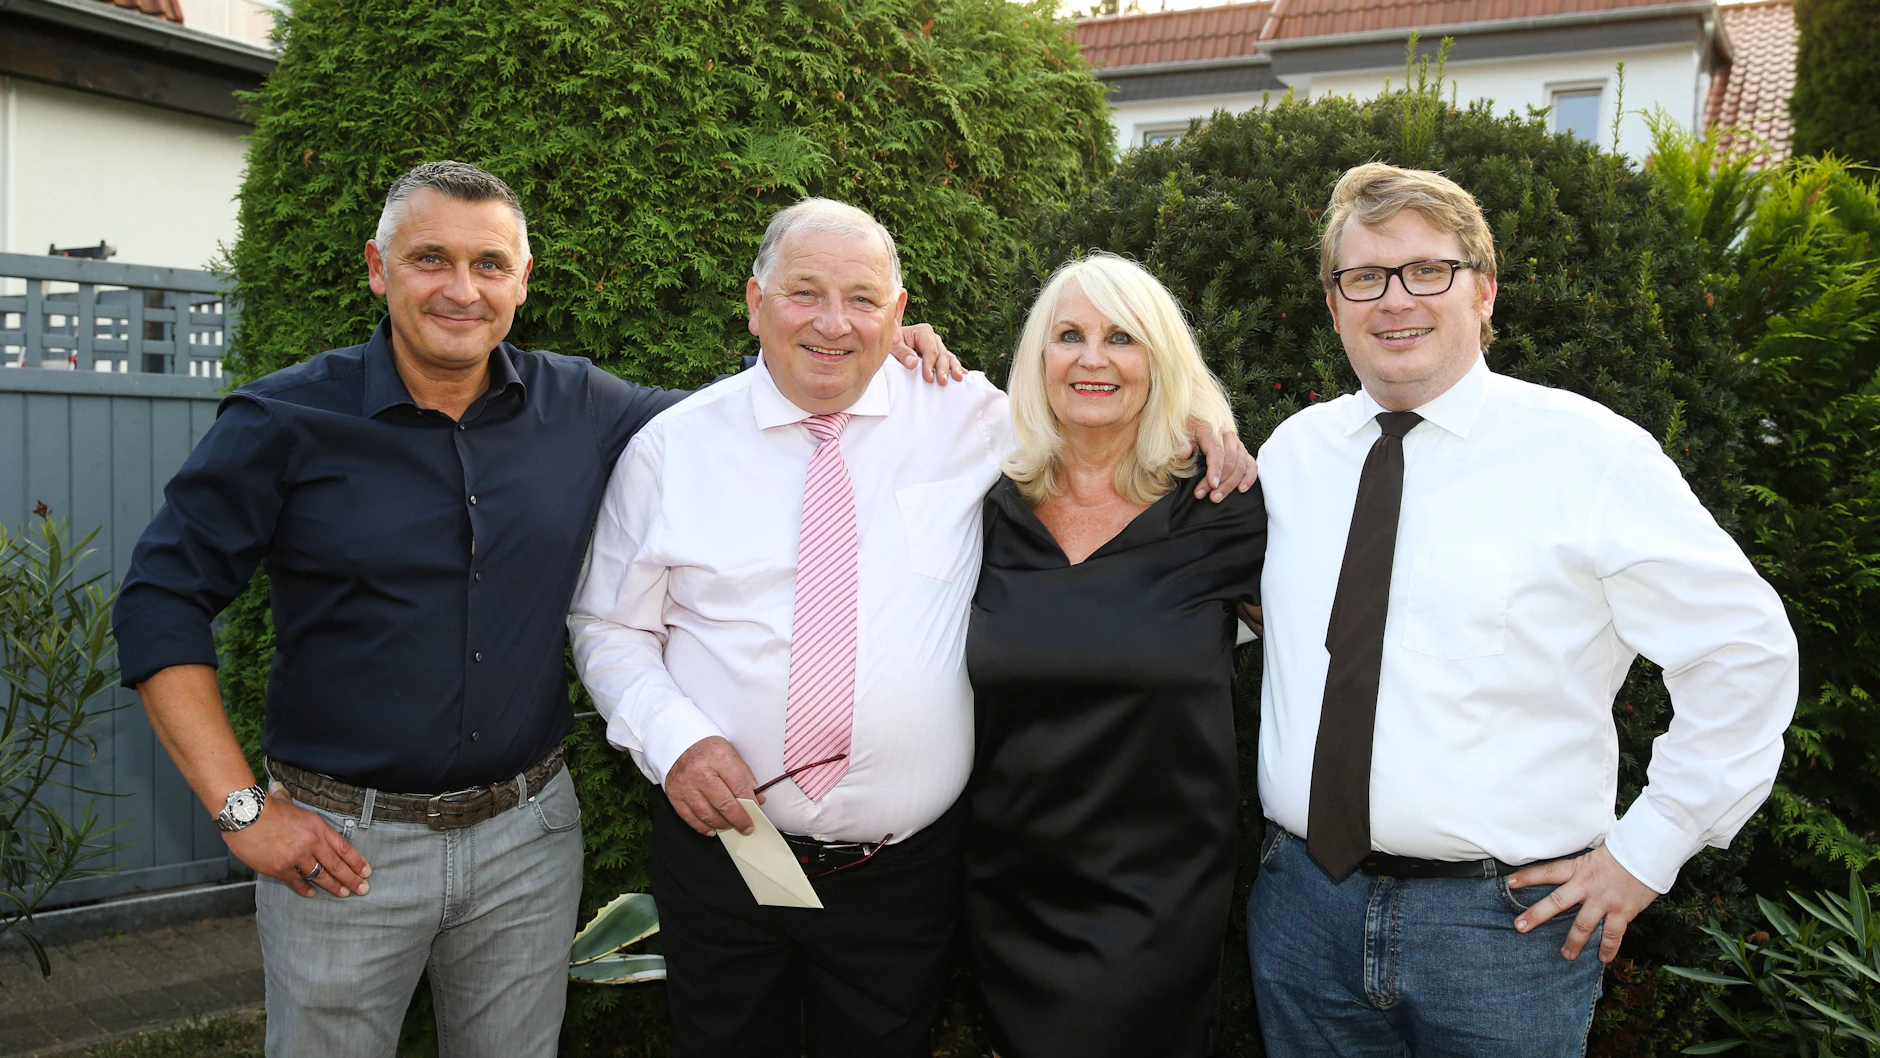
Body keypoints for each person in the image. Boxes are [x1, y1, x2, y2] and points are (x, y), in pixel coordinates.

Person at [109, 161, 962, 1058]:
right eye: (431, 258)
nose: (461, 289)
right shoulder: (283, 421)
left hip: (527, 840)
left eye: (489, 264)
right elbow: (160, 602)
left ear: (523, 280)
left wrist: (871, 348)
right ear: (377, 267)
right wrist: (242, 809)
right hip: (343, 850)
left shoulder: (582, 406)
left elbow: (754, 421)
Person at [566, 200, 1254, 1057]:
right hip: (731, 859)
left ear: (898, 314)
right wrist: (676, 741)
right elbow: (606, 624)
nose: (831, 321)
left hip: (907, 876)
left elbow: (1096, 411)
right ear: (753, 303)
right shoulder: (671, 451)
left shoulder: (972, 419)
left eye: (862, 299)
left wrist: (1199, 425)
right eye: (804, 292)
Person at [1246, 162, 1800, 1056]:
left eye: (1428, 270)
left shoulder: (1590, 456)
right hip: (1303, 912)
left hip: (1503, 938)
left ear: (1485, 291)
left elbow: (1744, 649)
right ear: (1335, 303)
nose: (1396, 300)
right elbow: (1233, 601)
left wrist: (1644, 853)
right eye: (1364, 278)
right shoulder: (1296, 453)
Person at [963, 253, 1265, 1057]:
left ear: (1158, 360)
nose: (1093, 358)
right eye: (1069, 335)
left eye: (1122, 338)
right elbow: (848, 383)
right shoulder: (979, 504)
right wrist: (906, 337)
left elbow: (1340, 647)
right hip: (1006, 889)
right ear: (1038, 359)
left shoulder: (1221, 506)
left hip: (1156, 901)